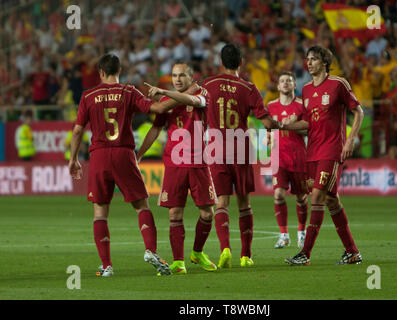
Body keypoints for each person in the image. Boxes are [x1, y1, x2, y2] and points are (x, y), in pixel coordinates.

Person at [68, 53, 182, 277]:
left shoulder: (89, 95)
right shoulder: (128, 91)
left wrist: (73, 160)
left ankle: (107, 266)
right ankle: (150, 251)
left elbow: (78, 130)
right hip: (124, 154)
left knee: (100, 213)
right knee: (142, 206)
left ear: (101, 72)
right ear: (119, 71)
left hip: (99, 156)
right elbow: (158, 109)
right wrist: (183, 96)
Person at [202, 43, 287, 268]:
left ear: (221, 62)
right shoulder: (248, 88)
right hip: (241, 150)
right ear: (241, 62)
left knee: (221, 202)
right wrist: (282, 125)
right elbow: (267, 121)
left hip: (216, 149)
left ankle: (225, 249)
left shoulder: (208, 84)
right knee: (244, 203)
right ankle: (245, 256)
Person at [282, 45, 364, 266]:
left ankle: (305, 253)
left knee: (316, 197)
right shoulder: (306, 89)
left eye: (314, 59)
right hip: (313, 151)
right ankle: (352, 252)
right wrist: (286, 125)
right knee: (331, 199)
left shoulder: (338, 84)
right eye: (307, 59)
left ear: (325, 62)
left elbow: (359, 111)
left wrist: (350, 139)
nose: (309, 63)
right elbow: (308, 122)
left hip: (331, 149)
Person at [136, 62, 218, 275]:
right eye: (174, 75)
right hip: (174, 163)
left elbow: (193, 100)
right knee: (175, 214)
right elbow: (155, 128)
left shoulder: (203, 93)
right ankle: (178, 261)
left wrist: (163, 91)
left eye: (182, 75)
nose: (177, 79)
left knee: (208, 214)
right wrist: (140, 154)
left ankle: (197, 252)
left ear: (192, 77)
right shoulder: (165, 102)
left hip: (199, 162)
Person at [266, 71, 309, 249]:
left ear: (294, 85)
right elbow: (269, 128)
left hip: (298, 156)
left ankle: (302, 232)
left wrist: (289, 125)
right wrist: (267, 136)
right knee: (278, 195)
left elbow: (308, 130)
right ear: (278, 86)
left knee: (300, 197)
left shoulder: (301, 106)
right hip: (278, 157)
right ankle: (283, 235)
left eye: (289, 81)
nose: (285, 83)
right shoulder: (270, 106)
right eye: (282, 81)